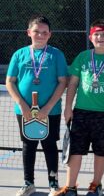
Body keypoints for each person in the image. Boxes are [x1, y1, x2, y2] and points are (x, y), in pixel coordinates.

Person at [55, 19, 104, 196]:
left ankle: (95, 185)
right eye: (97, 34)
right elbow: (73, 84)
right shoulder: (83, 57)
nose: (100, 37)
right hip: (81, 113)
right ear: (90, 37)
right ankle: (70, 187)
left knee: (101, 152)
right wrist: (68, 107)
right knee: (75, 151)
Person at [6, 14, 68, 196]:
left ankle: (53, 184)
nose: (40, 35)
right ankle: (28, 183)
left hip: (51, 111)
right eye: (36, 31)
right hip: (24, 111)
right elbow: (10, 82)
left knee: (49, 146)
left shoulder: (56, 55)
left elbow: (62, 82)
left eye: (44, 32)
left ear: (50, 34)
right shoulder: (19, 54)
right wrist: (23, 106)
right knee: (28, 146)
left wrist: (47, 108)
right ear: (28, 33)